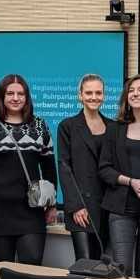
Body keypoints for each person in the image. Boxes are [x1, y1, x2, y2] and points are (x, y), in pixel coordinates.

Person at [0, 74, 58, 265]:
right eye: (10, 93)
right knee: (2, 268)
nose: (15, 98)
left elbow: (49, 168)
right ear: (1, 96)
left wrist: (52, 205)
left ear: (27, 97)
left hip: (31, 210)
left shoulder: (40, 126)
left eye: (21, 94)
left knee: (32, 265)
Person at [98, 75, 140, 277]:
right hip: (120, 208)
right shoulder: (114, 129)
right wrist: (131, 182)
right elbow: (104, 169)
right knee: (122, 268)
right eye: (131, 90)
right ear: (126, 97)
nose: (135, 94)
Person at [58, 73, 115, 260]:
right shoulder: (67, 126)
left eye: (98, 93)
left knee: (102, 263)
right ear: (80, 95)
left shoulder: (113, 127)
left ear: (104, 95)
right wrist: (75, 206)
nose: (94, 97)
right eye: (89, 93)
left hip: (106, 206)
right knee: (84, 262)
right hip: (80, 206)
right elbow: (64, 168)